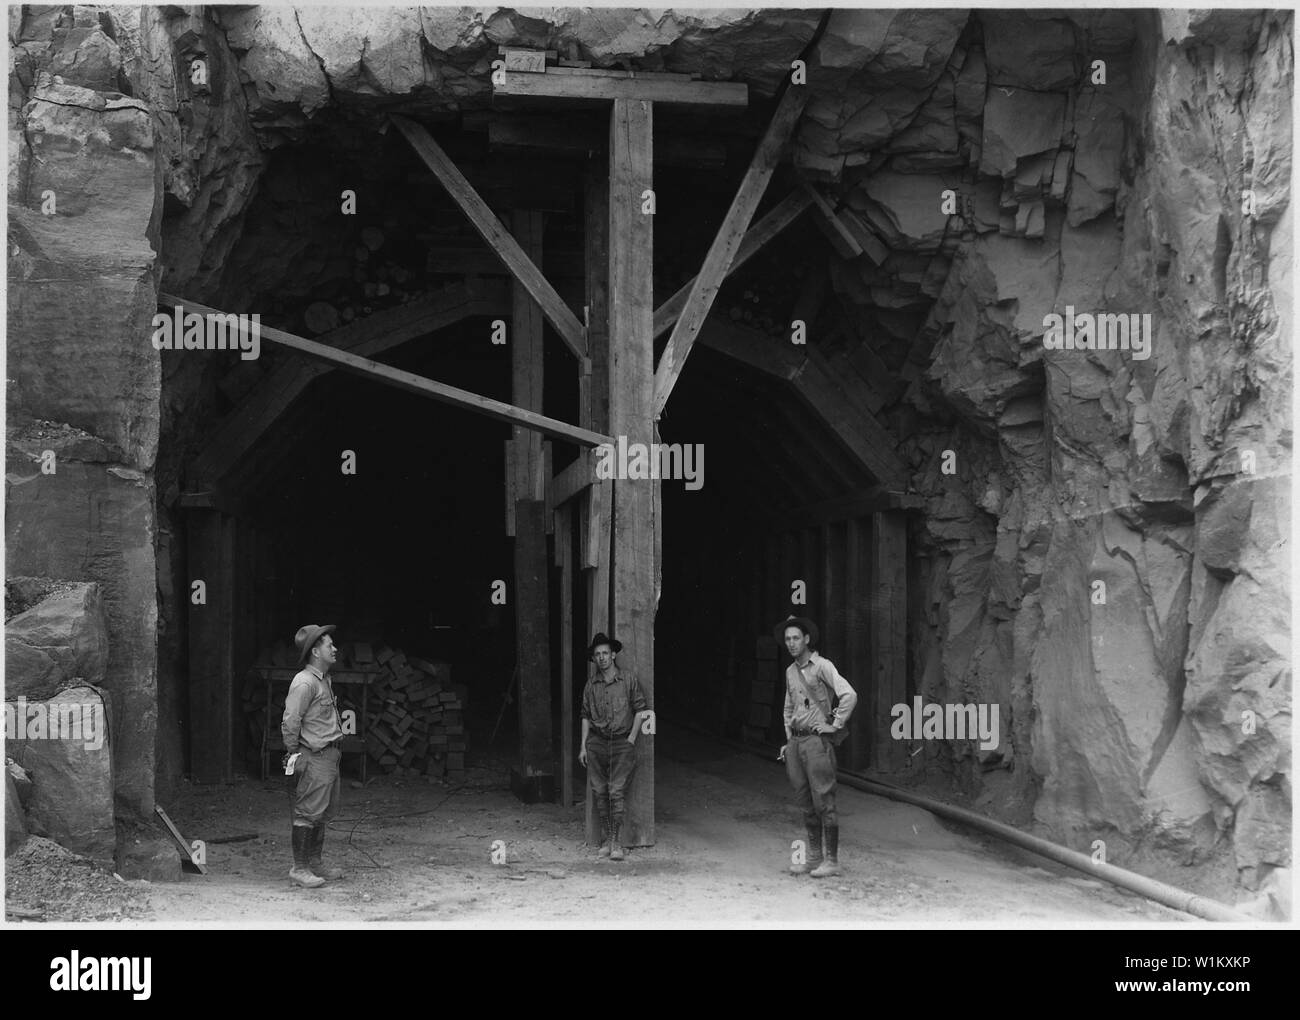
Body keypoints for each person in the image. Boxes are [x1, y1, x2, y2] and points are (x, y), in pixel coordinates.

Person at [777, 615, 857, 878]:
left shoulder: (822, 666)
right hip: (797, 742)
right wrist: (788, 739)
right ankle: (814, 858)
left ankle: (832, 861)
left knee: (824, 800)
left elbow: (849, 694)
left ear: (807, 639)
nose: (791, 643)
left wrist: (834, 724)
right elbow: (789, 707)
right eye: (788, 639)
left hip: (816, 742)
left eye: (796, 638)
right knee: (804, 801)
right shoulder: (790, 671)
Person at [280, 623, 345, 888]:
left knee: (321, 813)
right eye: (330, 645)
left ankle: (314, 863)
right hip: (315, 756)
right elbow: (291, 720)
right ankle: (300, 868)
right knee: (307, 813)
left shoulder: (322, 680)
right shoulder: (304, 682)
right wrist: (293, 752)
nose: (335, 649)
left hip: (328, 757)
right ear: (316, 651)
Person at [579, 632, 649, 861]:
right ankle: (607, 840)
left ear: (613, 654)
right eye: (597, 654)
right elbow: (586, 716)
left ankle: (615, 842)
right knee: (600, 792)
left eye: (605, 653)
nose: (601, 658)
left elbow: (641, 710)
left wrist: (631, 739)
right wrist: (583, 746)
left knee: (616, 791)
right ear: (594, 659)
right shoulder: (591, 685)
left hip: (621, 743)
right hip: (597, 743)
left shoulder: (628, 680)